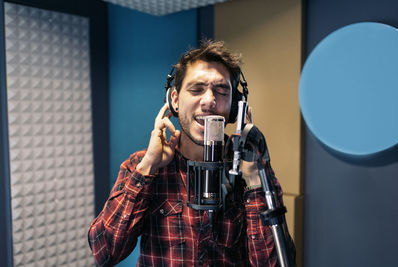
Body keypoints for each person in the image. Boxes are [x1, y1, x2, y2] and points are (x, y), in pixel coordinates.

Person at [88, 40, 295, 266]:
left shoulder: (253, 169)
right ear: (175, 100)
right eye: (196, 89)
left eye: (221, 91)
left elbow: (277, 263)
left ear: (235, 106)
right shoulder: (142, 165)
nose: (209, 101)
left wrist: (254, 180)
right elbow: (104, 252)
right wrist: (147, 167)